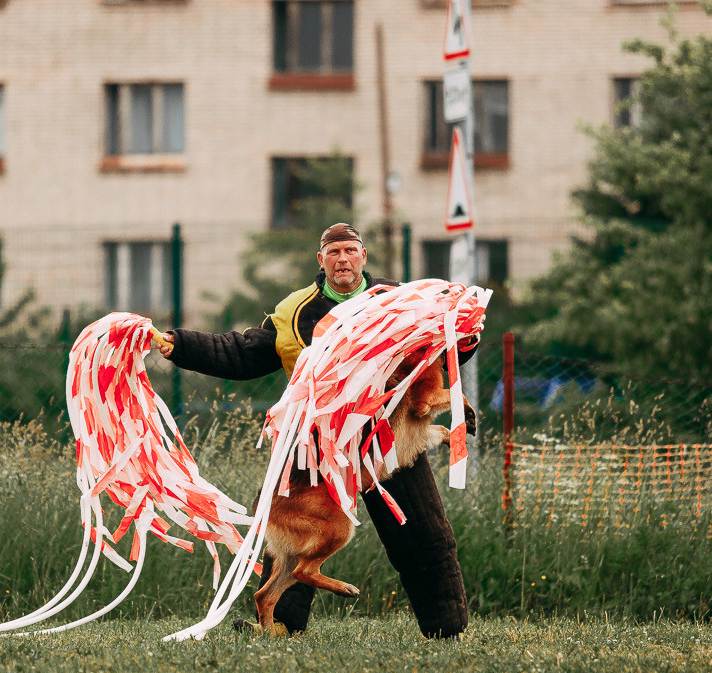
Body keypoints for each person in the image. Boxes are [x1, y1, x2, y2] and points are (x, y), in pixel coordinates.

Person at [155, 223, 474, 639]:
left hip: (390, 440)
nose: (343, 259)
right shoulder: (294, 311)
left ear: (363, 256)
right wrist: (178, 343)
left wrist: (467, 336)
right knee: (284, 532)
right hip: (314, 445)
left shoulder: (398, 300)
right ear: (320, 261)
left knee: (424, 532)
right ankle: (280, 626)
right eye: (334, 252)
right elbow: (242, 352)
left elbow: (441, 349)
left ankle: (446, 629)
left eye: (351, 250)